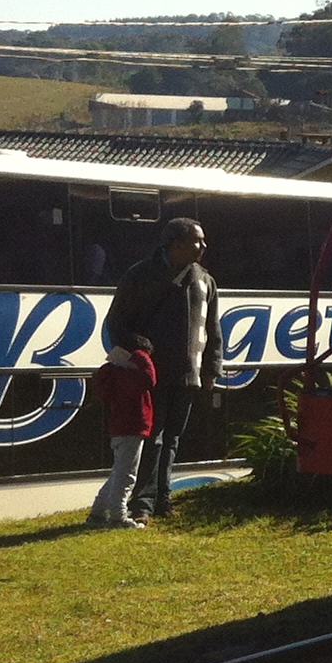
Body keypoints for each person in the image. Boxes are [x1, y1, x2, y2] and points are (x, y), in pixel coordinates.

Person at [106, 217, 219, 521]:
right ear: (176, 244)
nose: (204, 246)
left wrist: (211, 369)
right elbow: (115, 323)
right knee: (151, 439)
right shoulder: (140, 275)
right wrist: (138, 345)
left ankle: (163, 500)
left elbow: (213, 329)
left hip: (188, 374)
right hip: (151, 376)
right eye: (198, 240)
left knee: (172, 439)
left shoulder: (205, 280)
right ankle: (142, 504)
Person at [88, 337, 158, 528]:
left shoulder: (112, 371)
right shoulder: (135, 370)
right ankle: (118, 516)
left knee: (118, 472)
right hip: (134, 426)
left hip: (118, 427)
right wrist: (141, 355)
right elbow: (150, 378)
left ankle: (98, 512)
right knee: (127, 475)